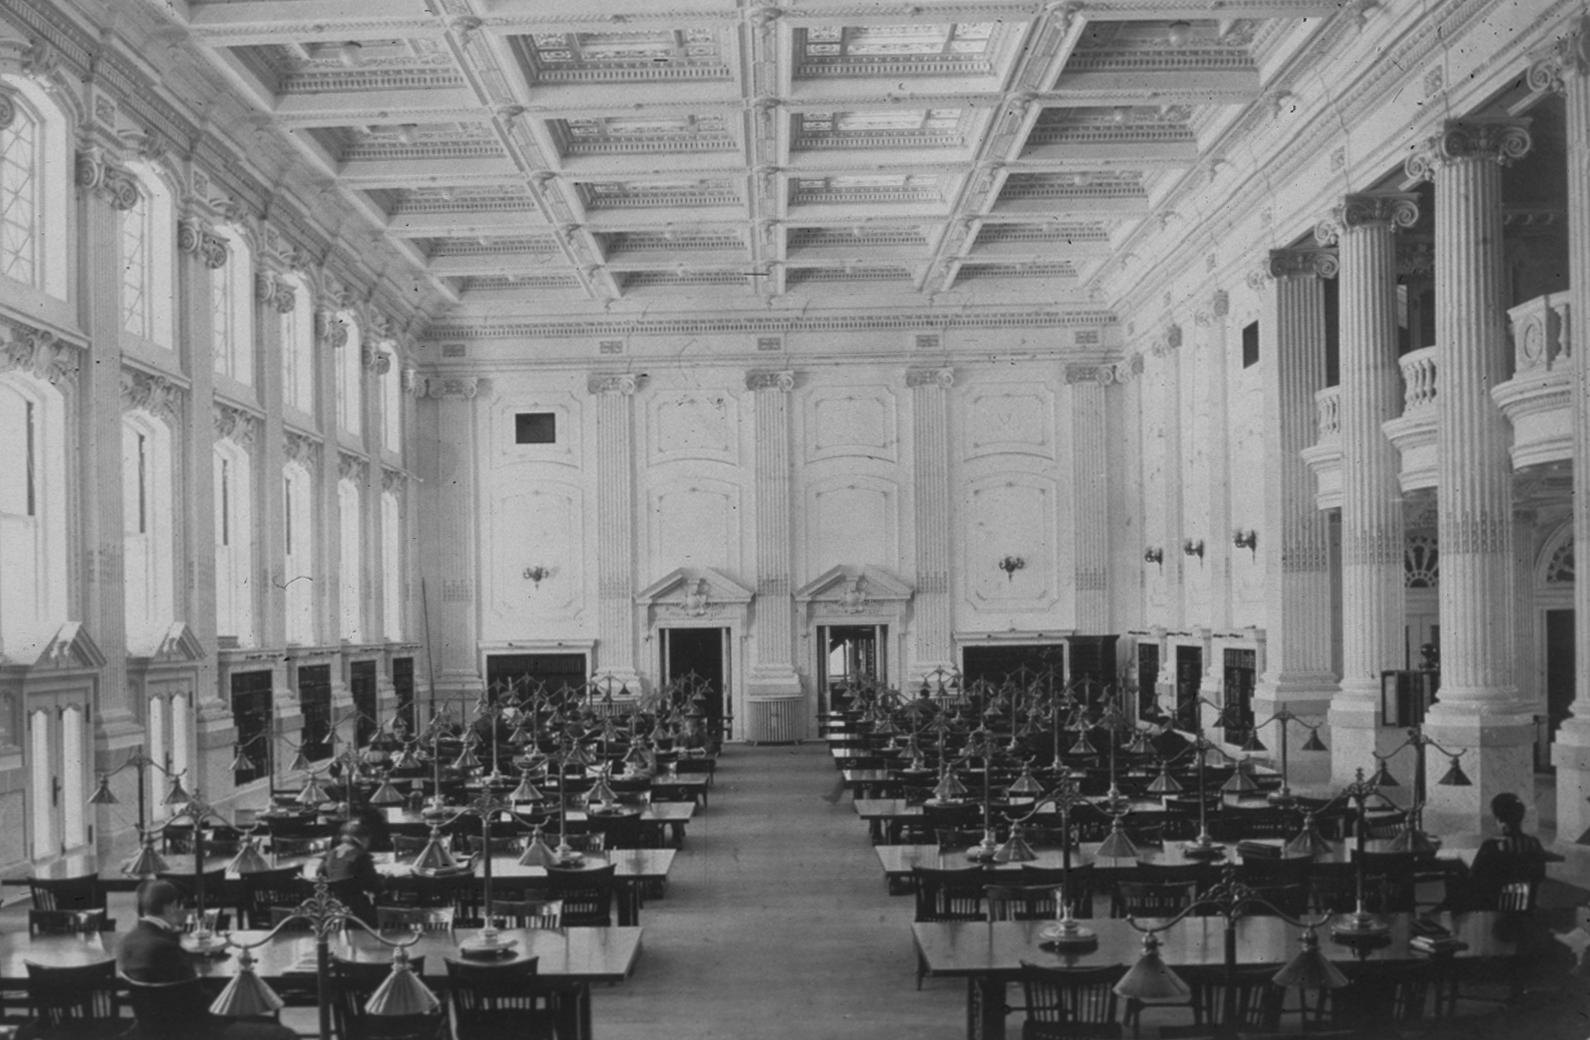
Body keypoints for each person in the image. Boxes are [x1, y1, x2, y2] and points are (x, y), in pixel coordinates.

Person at [117, 879, 296, 1040]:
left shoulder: (128, 941)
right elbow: (198, 1003)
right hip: (195, 1033)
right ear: (170, 907)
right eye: (179, 907)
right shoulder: (166, 948)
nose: (180, 912)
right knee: (285, 1035)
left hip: (151, 1030)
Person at [1467, 791, 1548, 909]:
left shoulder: (1491, 846)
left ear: (1499, 819)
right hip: (1526, 907)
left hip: (1493, 909)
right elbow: (1540, 875)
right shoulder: (1534, 843)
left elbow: (1474, 877)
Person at [322, 819, 383, 927]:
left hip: (333, 908)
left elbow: (322, 875)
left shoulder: (331, 853)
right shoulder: (361, 856)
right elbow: (374, 885)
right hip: (358, 912)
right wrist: (383, 878)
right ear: (364, 839)